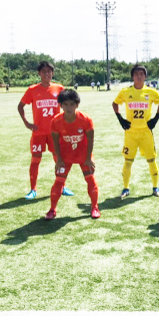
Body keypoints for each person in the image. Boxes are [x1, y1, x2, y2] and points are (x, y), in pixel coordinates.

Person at [18, 61, 73, 200]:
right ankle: (33, 189)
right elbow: (20, 106)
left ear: (52, 73)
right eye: (44, 71)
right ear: (39, 73)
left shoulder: (59, 88)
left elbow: (68, 106)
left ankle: (62, 186)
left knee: (59, 159)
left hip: (55, 132)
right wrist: (27, 123)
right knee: (35, 159)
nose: (46, 74)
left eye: (49, 71)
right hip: (38, 132)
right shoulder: (32, 90)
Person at [45, 89, 100, 220]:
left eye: (72, 104)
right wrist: (58, 160)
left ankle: (94, 207)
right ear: (60, 105)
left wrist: (88, 158)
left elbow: (91, 140)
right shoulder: (56, 121)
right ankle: (52, 209)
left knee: (90, 178)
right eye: (65, 104)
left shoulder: (85, 120)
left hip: (83, 154)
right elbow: (55, 141)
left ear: (77, 105)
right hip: (65, 156)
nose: (69, 108)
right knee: (59, 181)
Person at [112, 64, 159, 199]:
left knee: (151, 160)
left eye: (142, 73)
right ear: (132, 76)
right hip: (130, 133)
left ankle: (155, 187)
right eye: (136, 73)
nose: (139, 76)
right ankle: (125, 188)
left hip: (146, 133)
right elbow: (115, 103)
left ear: (145, 76)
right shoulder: (125, 92)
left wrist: (155, 119)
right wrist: (121, 119)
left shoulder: (151, 92)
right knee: (128, 161)